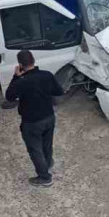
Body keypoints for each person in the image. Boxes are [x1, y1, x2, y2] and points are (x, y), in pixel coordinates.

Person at [4, 50, 64, 187]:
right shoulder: (47, 75)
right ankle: (48, 163)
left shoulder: (21, 82)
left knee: (35, 149)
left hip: (31, 122)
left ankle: (44, 177)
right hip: (49, 117)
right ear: (34, 60)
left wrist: (16, 77)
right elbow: (59, 91)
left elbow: (9, 97)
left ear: (20, 65)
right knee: (47, 143)